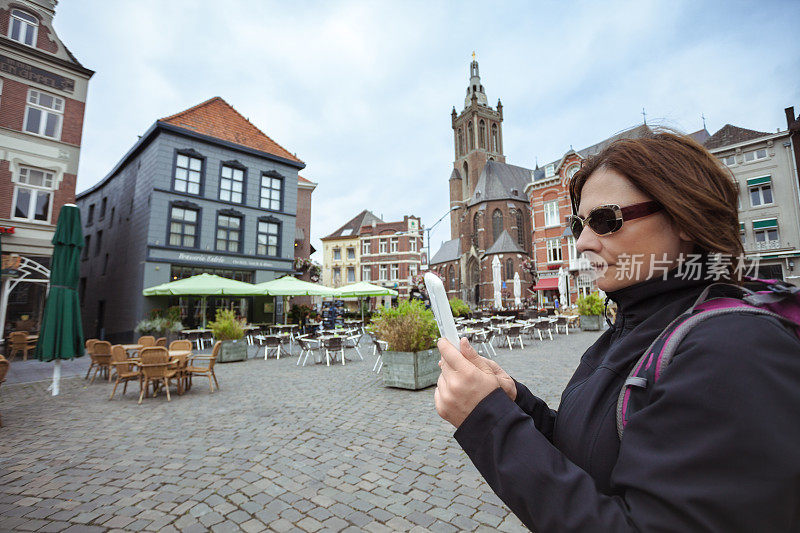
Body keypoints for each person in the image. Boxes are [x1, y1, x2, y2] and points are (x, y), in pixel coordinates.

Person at [434, 131, 800, 532]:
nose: (584, 243)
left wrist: (487, 421)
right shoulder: (636, 324)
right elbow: (596, 455)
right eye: (578, 225)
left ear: (685, 219)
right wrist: (514, 402)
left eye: (606, 220)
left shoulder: (735, 349)